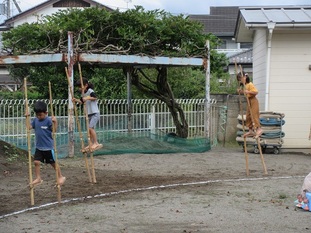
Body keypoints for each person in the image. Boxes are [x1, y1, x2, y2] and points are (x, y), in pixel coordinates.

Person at [29, 101, 66, 187]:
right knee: (36, 162)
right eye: (37, 115)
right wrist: (26, 117)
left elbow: (54, 131)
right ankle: (38, 178)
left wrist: (55, 122)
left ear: (46, 113)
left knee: (53, 163)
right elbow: (29, 127)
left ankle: (60, 176)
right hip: (39, 147)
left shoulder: (49, 120)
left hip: (48, 147)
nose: (39, 116)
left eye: (40, 115)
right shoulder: (35, 120)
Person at [72, 78, 103, 152]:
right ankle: (91, 143)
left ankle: (96, 142)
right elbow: (82, 101)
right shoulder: (83, 94)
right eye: (78, 87)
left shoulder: (90, 91)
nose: (79, 88)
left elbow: (95, 97)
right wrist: (76, 100)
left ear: (86, 85)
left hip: (95, 112)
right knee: (89, 130)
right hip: (88, 113)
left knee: (91, 128)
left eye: (80, 86)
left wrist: (87, 98)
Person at [237, 72, 263, 138]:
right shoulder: (245, 85)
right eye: (239, 79)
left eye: (240, 78)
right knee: (248, 116)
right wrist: (241, 91)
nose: (240, 80)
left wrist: (248, 92)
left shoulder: (250, 84)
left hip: (253, 101)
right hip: (249, 101)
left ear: (245, 77)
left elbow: (256, 92)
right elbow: (246, 93)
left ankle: (259, 129)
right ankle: (250, 130)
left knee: (254, 115)